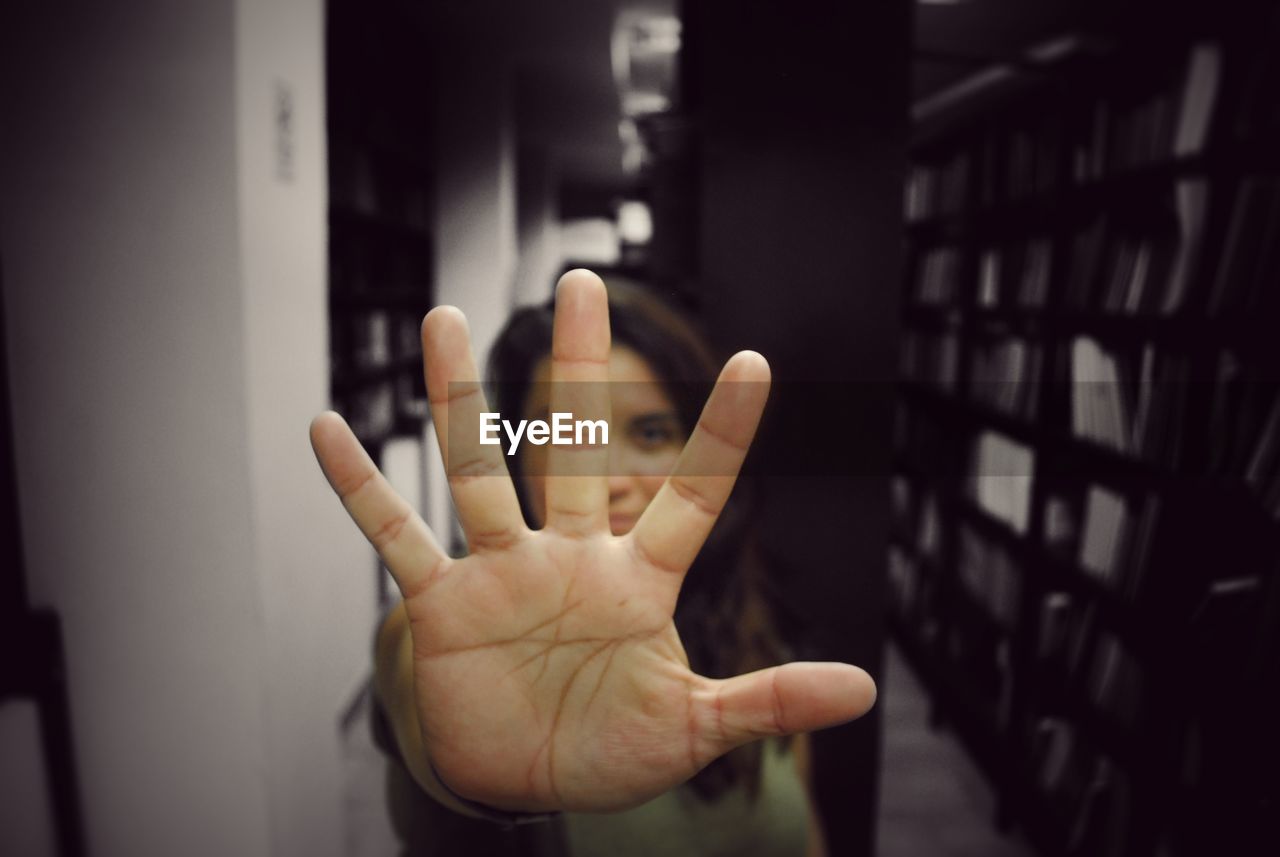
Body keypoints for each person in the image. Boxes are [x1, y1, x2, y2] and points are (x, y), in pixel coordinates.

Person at [309, 269, 878, 856]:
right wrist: (481, 764)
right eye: (567, 435)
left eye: (653, 432)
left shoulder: (748, 620)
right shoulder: (444, 631)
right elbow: (414, 685)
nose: (608, 479)